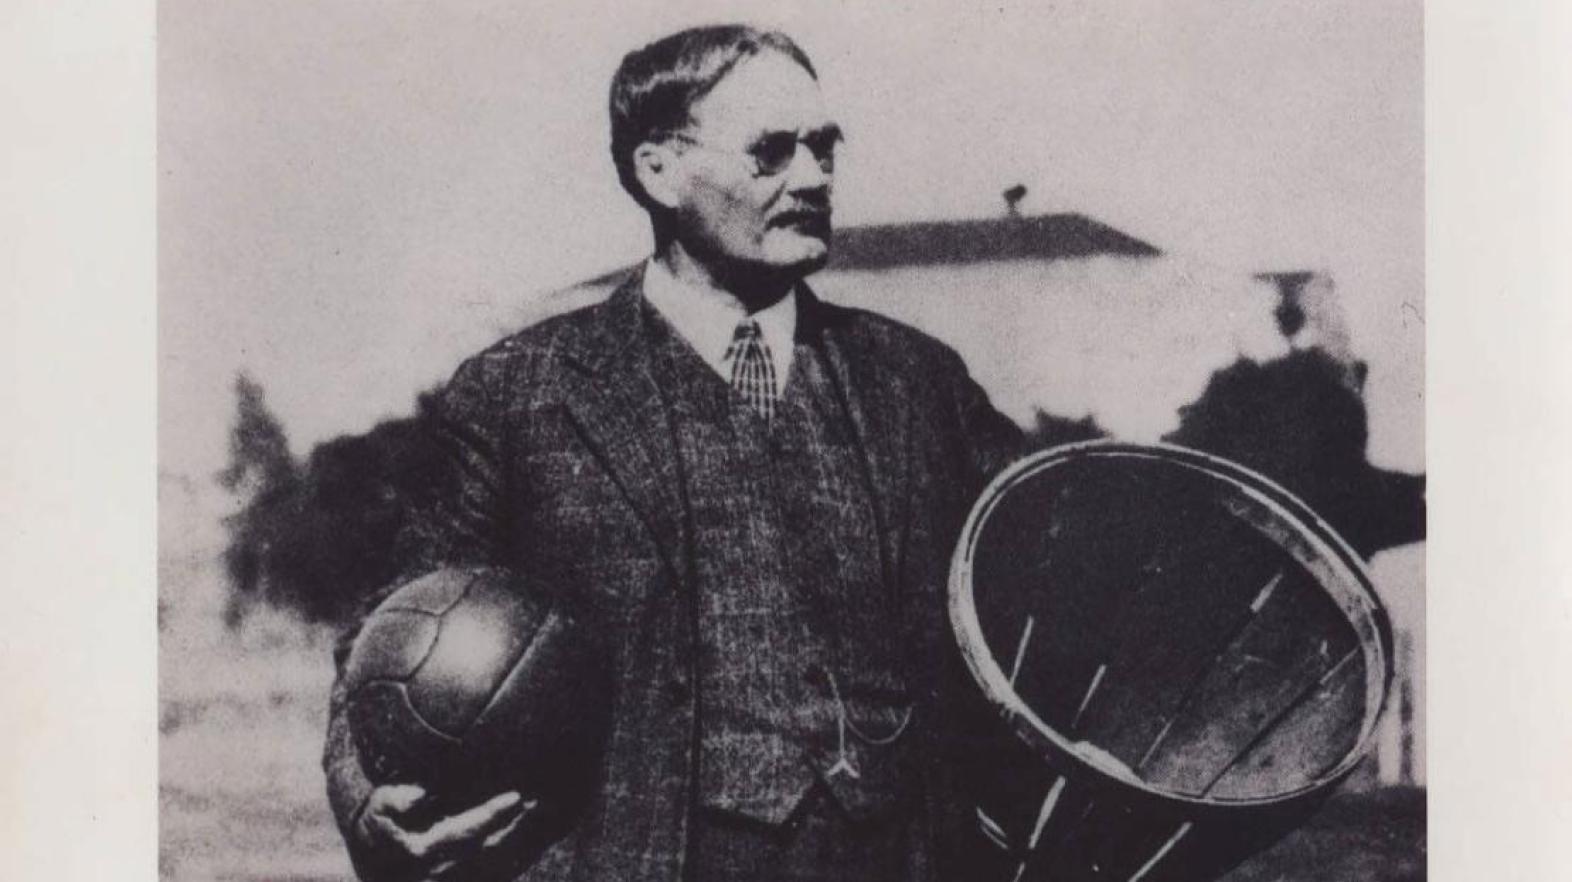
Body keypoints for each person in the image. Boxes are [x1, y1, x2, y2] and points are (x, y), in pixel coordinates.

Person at [323, 23, 1022, 882]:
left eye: (823, 148)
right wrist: (367, 807)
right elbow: (394, 630)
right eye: (772, 152)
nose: (813, 177)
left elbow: (1052, 583)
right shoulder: (518, 392)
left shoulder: (919, 382)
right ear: (659, 170)